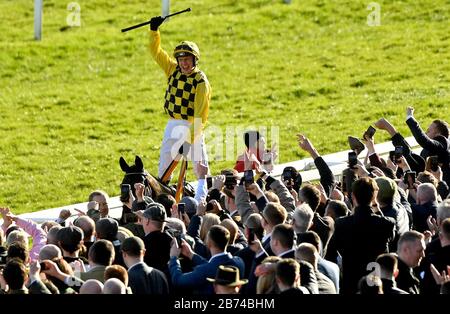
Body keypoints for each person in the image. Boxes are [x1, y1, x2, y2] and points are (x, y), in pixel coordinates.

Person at [148, 16, 211, 181]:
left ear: (194, 60)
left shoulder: (200, 81)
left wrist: (189, 139)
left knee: (201, 170)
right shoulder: (172, 69)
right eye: (181, 60)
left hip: (193, 127)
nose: (184, 64)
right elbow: (156, 52)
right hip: (172, 124)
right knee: (164, 168)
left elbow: (200, 116)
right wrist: (154, 31)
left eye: (187, 60)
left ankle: (209, 197)